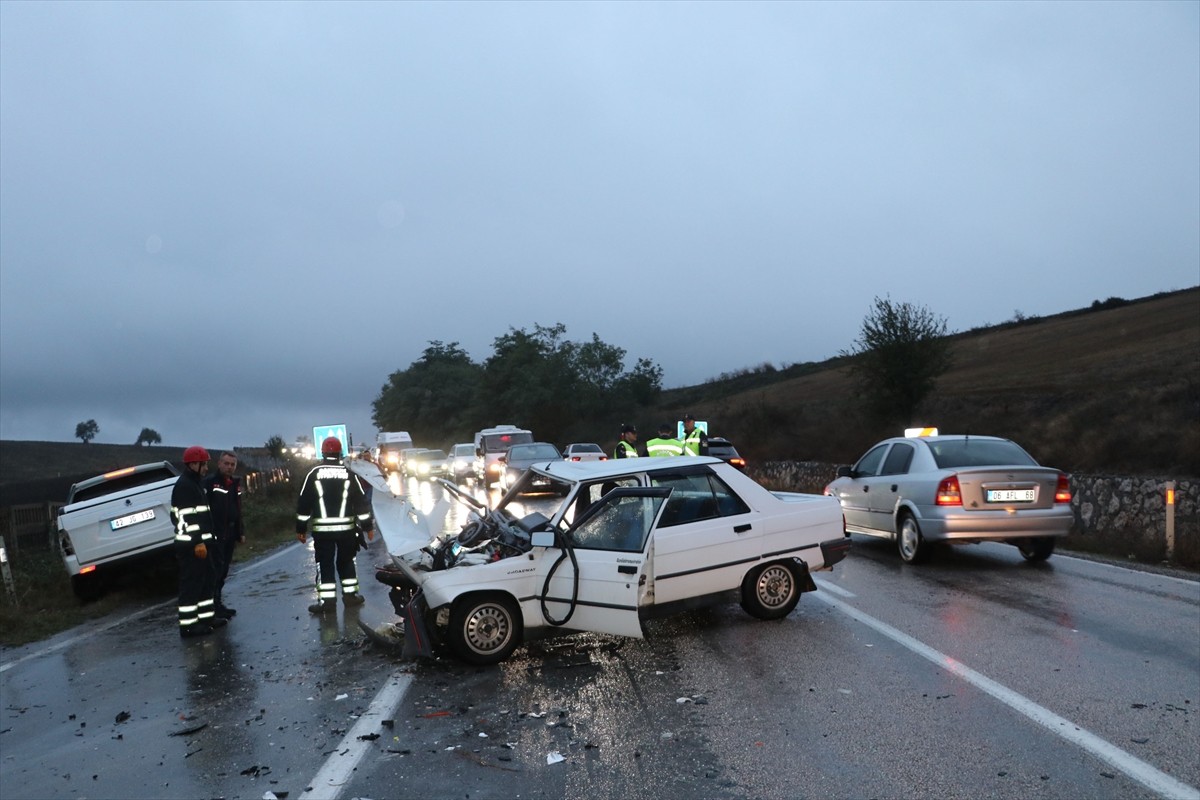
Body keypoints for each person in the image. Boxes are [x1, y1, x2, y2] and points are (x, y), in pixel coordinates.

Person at [296, 436, 376, 614]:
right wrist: (368, 527)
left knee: (325, 564)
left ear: (322, 452)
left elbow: (304, 503)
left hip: (322, 533)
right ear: (340, 453)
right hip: (346, 531)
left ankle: (327, 603)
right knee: (346, 561)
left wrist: (300, 529)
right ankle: (350, 598)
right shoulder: (350, 474)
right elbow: (361, 503)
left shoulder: (313, 474)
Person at [171, 446, 226, 638]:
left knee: (207, 580)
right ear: (194, 464)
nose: (206, 468)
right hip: (192, 546)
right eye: (204, 464)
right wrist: (197, 542)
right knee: (192, 585)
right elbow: (187, 518)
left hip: (202, 544)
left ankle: (206, 618)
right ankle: (188, 625)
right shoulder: (185, 486)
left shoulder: (195, 483)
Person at [203, 450, 244, 620]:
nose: (229, 467)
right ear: (219, 464)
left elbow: (238, 509)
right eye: (226, 463)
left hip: (230, 533)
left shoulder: (235, 484)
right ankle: (211, 606)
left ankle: (218, 604)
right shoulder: (210, 483)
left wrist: (241, 532)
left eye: (232, 464)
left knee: (224, 570)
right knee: (215, 571)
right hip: (216, 535)